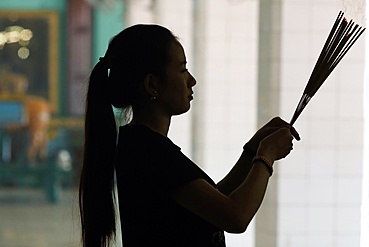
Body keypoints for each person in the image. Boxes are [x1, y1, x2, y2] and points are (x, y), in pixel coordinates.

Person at [79, 24, 300, 247]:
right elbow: (235, 217)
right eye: (182, 70)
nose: (191, 80)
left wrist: (252, 151)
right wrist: (267, 154)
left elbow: (212, 201)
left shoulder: (141, 145)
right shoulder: (150, 152)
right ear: (152, 84)